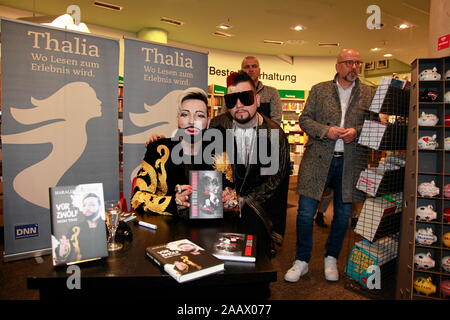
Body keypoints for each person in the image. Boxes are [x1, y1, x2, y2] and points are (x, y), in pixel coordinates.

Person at [284, 48, 374, 282]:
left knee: (343, 215)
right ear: (337, 66)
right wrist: (326, 131)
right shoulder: (319, 89)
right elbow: (304, 119)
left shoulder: (368, 93)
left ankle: (331, 257)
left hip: (351, 161)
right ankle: (301, 260)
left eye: (357, 62)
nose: (353, 67)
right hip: (318, 159)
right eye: (348, 62)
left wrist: (357, 132)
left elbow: (375, 126)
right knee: (304, 213)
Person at [210, 71, 290, 257]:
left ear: (257, 99)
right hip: (222, 212)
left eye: (245, 97)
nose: (239, 105)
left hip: (258, 210)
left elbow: (276, 178)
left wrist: (246, 200)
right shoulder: (217, 125)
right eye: (232, 100)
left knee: (256, 263)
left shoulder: (274, 134)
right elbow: (206, 161)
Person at [131, 88, 236, 216]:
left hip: (208, 231)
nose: (192, 121)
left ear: (208, 122)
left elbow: (233, 193)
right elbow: (137, 198)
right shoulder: (159, 150)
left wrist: (229, 201)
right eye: (185, 114)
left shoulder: (218, 154)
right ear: (177, 119)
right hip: (166, 230)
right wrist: (173, 202)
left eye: (200, 115)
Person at [241, 56, 282, 125]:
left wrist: (263, 134)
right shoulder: (233, 92)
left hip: (264, 134)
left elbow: (276, 121)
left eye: (254, 66)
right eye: (247, 67)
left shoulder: (272, 93)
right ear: (242, 70)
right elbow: (224, 118)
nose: (251, 69)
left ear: (259, 70)